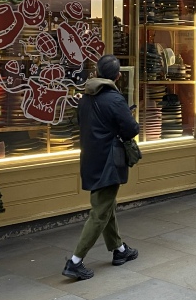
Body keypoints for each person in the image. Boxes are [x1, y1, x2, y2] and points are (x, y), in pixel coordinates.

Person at [62, 55, 140, 280]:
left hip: (90, 158)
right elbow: (131, 129)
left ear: (96, 72)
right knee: (100, 211)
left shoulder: (85, 98)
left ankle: (119, 250)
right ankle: (75, 261)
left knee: (106, 204)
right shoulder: (114, 99)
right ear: (117, 76)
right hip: (109, 160)